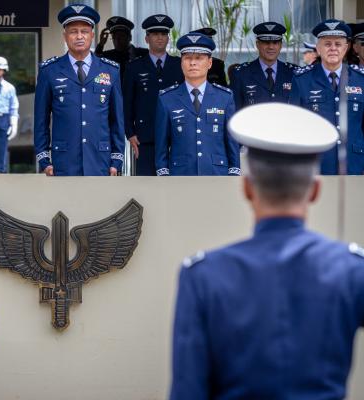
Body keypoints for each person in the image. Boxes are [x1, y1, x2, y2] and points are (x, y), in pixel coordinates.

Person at [170, 102, 364, 399]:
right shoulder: (350, 269)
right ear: (315, 190)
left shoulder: (203, 275)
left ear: (246, 188)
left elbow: (188, 389)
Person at [34, 3, 125, 176]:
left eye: (84, 31)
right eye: (73, 31)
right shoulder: (50, 71)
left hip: (100, 160)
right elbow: (41, 120)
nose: (79, 36)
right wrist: (44, 160)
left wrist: (117, 160)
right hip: (63, 161)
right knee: (63, 204)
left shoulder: (110, 70)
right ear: (65, 36)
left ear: (92, 35)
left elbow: (117, 119)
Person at [154, 32, 240, 176]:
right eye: (187, 58)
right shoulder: (167, 98)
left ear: (210, 63)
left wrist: (234, 173)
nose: (192, 63)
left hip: (217, 175)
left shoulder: (225, 97)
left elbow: (231, 142)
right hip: (180, 176)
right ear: (181, 62)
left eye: (199, 58)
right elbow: (161, 145)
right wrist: (163, 175)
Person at [289, 19, 364, 175]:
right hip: (316, 166)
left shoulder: (360, 79)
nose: (333, 49)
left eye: (338, 44)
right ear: (318, 48)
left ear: (346, 47)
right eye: (327, 44)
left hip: (355, 165)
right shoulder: (302, 80)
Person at [123, 14, 183, 176]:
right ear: (147, 38)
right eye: (155, 34)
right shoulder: (134, 67)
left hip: (176, 136)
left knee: (177, 185)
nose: (160, 38)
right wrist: (130, 132)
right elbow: (127, 102)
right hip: (145, 137)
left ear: (168, 38)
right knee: (146, 186)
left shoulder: (179, 65)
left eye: (163, 34)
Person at [230, 22, 296, 110]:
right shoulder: (241, 74)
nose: (271, 47)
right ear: (257, 44)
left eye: (275, 42)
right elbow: (235, 112)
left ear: (281, 45)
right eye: (266, 42)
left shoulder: (293, 73)